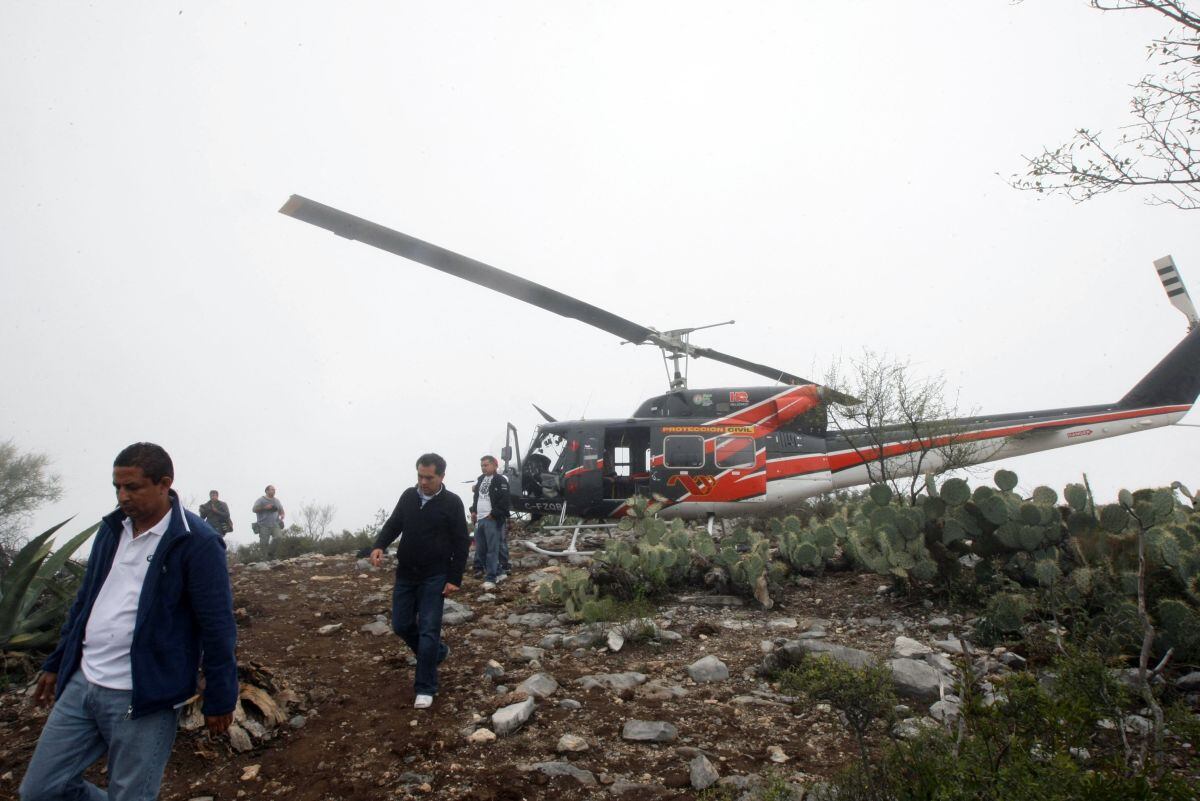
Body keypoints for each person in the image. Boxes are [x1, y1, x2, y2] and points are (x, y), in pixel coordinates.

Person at [20, 442, 237, 801]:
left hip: (144, 696)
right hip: (83, 681)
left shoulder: (197, 541)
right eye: (117, 487)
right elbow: (86, 600)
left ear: (164, 483)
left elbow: (217, 625)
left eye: (132, 487)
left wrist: (220, 695)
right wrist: (59, 661)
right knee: (41, 789)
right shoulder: (112, 529)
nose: (123, 496)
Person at [369, 453, 468, 709]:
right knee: (401, 625)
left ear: (441, 477)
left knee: (428, 630)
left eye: (429, 477)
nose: (423, 482)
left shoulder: (452, 503)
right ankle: (438, 654)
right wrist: (379, 545)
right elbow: (394, 524)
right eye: (420, 476)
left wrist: (454, 578)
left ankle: (425, 687)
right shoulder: (408, 496)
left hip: (435, 576)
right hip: (406, 573)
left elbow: (461, 542)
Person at [470, 455, 511, 590]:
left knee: (492, 550)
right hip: (480, 519)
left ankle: (491, 578)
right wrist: (473, 511)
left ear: (494, 465)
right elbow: (477, 497)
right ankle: (499, 572)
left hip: (492, 520)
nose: (483, 468)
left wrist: (494, 514)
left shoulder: (501, 480)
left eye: (486, 465)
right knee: (480, 550)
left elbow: (505, 501)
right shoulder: (480, 480)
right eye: (482, 465)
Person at [252, 484, 285, 559]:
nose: (274, 491)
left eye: (274, 490)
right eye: (272, 489)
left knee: (278, 537)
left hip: (275, 524)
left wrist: (282, 515)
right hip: (263, 524)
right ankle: (264, 560)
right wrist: (265, 507)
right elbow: (254, 509)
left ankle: (271, 554)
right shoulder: (261, 500)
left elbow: (281, 510)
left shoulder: (276, 501)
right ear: (267, 491)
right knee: (264, 543)